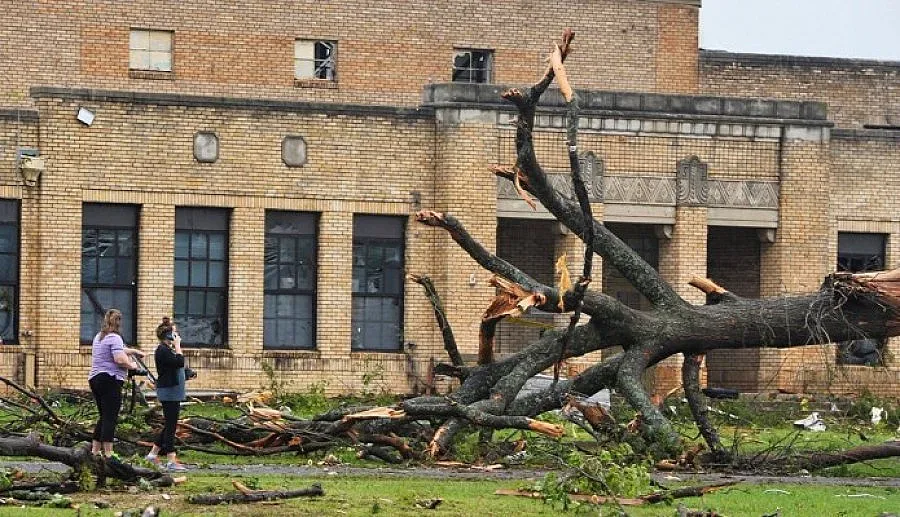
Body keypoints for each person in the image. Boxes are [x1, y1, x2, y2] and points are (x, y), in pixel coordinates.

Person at [88, 308, 144, 458]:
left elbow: (117, 350)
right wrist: (132, 366)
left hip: (95, 379)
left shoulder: (99, 337)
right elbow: (119, 358)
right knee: (111, 417)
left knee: (103, 415)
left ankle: (94, 452)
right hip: (109, 379)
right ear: (119, 322)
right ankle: (108, 453)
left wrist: (133, 351)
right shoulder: (115, 337)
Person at [145, 317, 188, 471]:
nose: (177, 336)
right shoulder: (162, 350)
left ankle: (152, 454)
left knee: (169, 424)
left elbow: (177, 367)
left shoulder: (167, 350)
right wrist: (178, 346)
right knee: (171, 425)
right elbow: (179, 361)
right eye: (175, 333)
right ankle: (171, 459)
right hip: (169, 391)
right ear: (169, 335)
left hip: (173, 390)